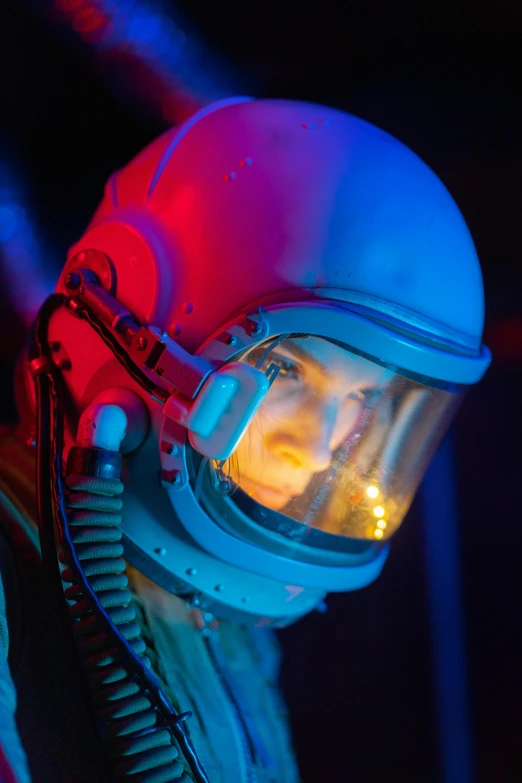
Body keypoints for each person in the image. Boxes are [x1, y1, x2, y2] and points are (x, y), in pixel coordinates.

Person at [0, 96, 491, 783]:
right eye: (286, 369)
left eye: (361, 400)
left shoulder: (226, 621)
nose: (321, 447)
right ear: (123, 323)